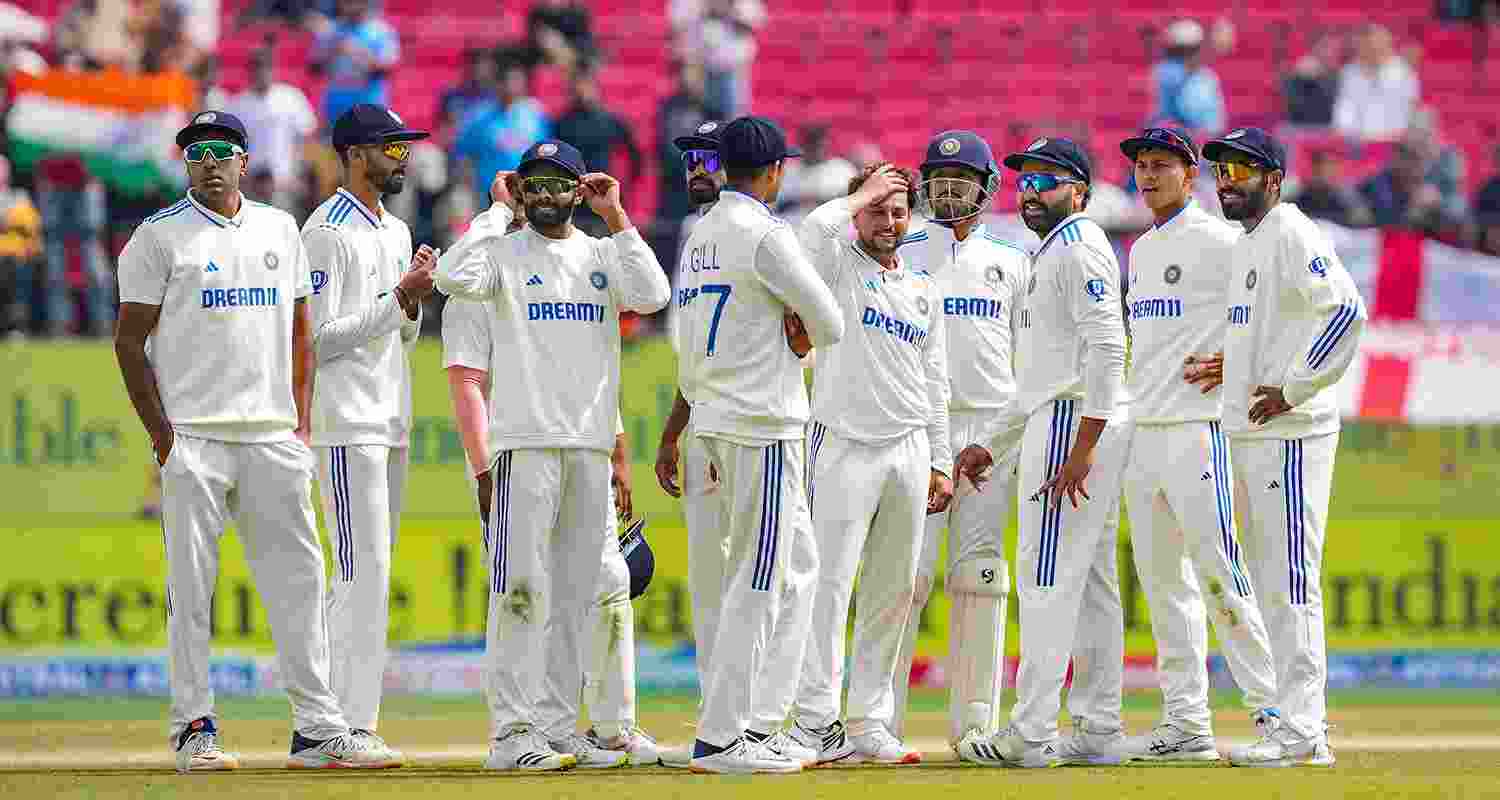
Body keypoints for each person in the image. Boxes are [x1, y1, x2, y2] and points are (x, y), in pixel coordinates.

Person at [113, 110, 394, 772]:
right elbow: (128, 343)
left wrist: (299, 421)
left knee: (300, 584)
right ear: (186, 164)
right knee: (192, 591)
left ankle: (319, 729)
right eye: (197, 153)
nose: (209, 162)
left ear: (244, 160)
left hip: (272, 436)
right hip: (196, 438)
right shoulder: (156, 237)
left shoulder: (279, 228)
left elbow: (300, 331)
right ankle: (194, 728)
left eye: (222, 151)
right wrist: (163, 437)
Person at [434, 139, 670, 771]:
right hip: (524, 447)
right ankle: (512, 736)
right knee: (518, 590)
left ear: (578, 190)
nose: (544, 194)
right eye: (532, 183)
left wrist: (616, 215)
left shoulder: (601, 254)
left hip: (588, 448)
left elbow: (653, 294)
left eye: (557, 183)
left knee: (575, 597)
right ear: (520, 190)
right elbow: (450, 275)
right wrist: (495, 211)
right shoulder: (502, 254)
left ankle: (559, 728)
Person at [674, 115, 844, 773]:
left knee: (796, 567)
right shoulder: (766, 234)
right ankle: (723, 736)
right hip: (762, 421)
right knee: (760, 574)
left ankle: (763, 721)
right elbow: (828, 322)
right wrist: (795, 331)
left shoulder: (701, 233)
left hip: (717, 414)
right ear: (774, 171)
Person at [954, 137, 1130, 768]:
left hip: (1071, 425)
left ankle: (1030, 733)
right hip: (1063, 417)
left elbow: (1107, 348)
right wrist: (991, 443)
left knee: (1045, 579)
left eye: (1046, 181)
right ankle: (1099, 727)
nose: (1030, 192)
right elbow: (1036, 379)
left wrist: (1084, 445)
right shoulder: (1051, 252)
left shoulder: (1078, 247)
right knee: (1093, 584)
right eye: (1024, 181)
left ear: (1079, 191)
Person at [1200, 127, 1366, 768]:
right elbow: (1274, 328)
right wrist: (1239, 367)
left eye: (1241, 170)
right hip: (1252, 436)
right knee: (1273, 584)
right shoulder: (1250, 241)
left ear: (1274, 179)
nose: (1227, 181)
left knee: (1290, 582)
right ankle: (1295, 725)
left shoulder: (1291, 230)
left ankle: (1304, 734)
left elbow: (1345, 311)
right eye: (1221, 170)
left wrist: (1293, 388)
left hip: (1291, 436)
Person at [1113, 127, 1279, 763]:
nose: (1148, 175)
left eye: (1162, 165)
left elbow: (1276, 311)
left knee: (1220, 576)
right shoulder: (1141, 250)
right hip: (1145, 434)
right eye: (1141, 165)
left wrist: (1239, 362)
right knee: (1164, 589)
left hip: (1198, 431)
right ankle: (1186, 722)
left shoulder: (1222, 241)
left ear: (1190, 175)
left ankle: (1277, 715)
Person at [785, 161, 953, 766]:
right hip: (843, 444)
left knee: (892, 592)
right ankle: (815, 721)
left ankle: (868, 722)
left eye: (898, 211)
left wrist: (940, 458)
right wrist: (864, 193)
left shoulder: (924, 289)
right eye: (877, 209)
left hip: (908, 449)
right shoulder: (835, 267)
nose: (888, 221)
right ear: (857, 212)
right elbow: (811, 234)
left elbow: (935, 381)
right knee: (828, 588)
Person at [301, 103, 436, 766]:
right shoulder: (325, 231)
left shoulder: (396, 227)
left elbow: (401, 334)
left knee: (369, 575)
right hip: (347, 422)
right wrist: (397, 299)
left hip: (389, 418)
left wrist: (411, 300)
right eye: (391, 147)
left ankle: (334, 726)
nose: (402, 157)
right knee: (361, 572)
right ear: (355, 155)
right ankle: (336, 727)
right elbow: (317, 340)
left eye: (404, 147)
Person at [891, 130, 1031, 758]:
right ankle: (879, 720)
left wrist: (1010, 434)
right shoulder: (901, 249)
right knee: (905, 575)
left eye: (963, 180)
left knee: (980, 575)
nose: (949, 190)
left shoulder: (1014, 259)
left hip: (989, 431)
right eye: (939, 179)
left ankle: (974, 724)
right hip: (919, 425)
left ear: (987, 186)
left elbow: (1029, 357)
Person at [452, 52, 550, 211]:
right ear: (497, 83)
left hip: (527, 193)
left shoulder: (536, 114)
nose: (510, 85)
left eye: (515, 80)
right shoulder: (480, 116)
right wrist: (470, 188)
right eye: (506, 80)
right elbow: (463, 155)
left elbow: (545, 155)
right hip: (490, 193)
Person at [554, 64, 644, 237]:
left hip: (601, 197)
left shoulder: (609, 120)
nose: (582, 91)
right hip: (573, 202)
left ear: (595, 88)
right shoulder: (563, 123)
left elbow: (634, 153)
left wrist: (626, 187)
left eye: (586, 85)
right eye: (577, 86)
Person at [228, 47, 319, 211]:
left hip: (285, 182)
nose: (261, 73)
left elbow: (307, 137)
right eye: (257, 68)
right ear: (249, 71)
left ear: (273, 69)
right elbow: (232, 149)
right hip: (250, 184)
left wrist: (298, 174)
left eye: (265, 67)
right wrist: (242, 179)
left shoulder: (291, 97)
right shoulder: (237, 105)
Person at [311, 0, 400, 125]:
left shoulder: (381, 31)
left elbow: (386, 68)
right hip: (334, 106)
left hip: (369, 107)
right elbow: (314, 69)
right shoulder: (330, 31)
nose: (349, 5)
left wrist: (356, 52)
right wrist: (330, 52)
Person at [1332, 24, 1419, 142]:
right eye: (1363, 45)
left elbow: (1408, 112)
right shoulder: (1349, 72)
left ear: (1386, 45)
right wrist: (1345, 136)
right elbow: (1344, 110)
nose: (1368, 48)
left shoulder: (1403, 72)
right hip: (1356, 142)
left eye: (1372, 44)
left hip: (1394, 140)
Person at [1151, 19, 1225, 134]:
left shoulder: (1207, 76)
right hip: (1173, 135)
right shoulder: (1165, 72)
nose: (1190, 54)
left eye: (1193, 49)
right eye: (1185, 50)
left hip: (1205, 136)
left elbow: (1215, 121)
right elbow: (1183, 110)